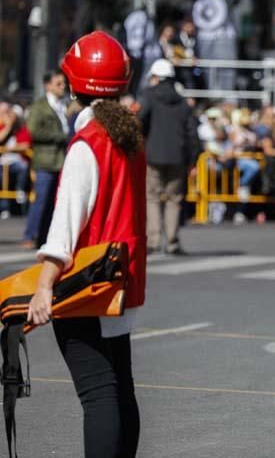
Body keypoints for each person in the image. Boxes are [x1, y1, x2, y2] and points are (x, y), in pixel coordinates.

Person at [26, 31, 146, 457]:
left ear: (74, 83)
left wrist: (44, 284)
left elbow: (66, 224)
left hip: (88, 281)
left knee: (96, 395)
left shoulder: (87, 143)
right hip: (121, 275)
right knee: (119, 389)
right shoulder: (128, 137)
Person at [136, 58, 199, 254]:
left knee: (152, 197)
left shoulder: (149, 96)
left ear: (156, 77)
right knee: (174, 199)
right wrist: (193, 159)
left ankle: (153, 240)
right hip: (178, 157)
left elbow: (139, 121)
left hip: (153, 155)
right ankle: (172, 241)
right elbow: (192, 133)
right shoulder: (182, 102)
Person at [23, 70, 69, 248]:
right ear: (47, 85)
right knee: (41, 200)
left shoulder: (63, 105)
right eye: (58, 84)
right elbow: (33, 130)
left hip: (59, 160)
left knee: (53, 202)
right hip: (46, 160)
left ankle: (44, 236)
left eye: (63, 83)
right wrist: (60, 136)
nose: (62, 87)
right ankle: (30, 234)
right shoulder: (39, 106)